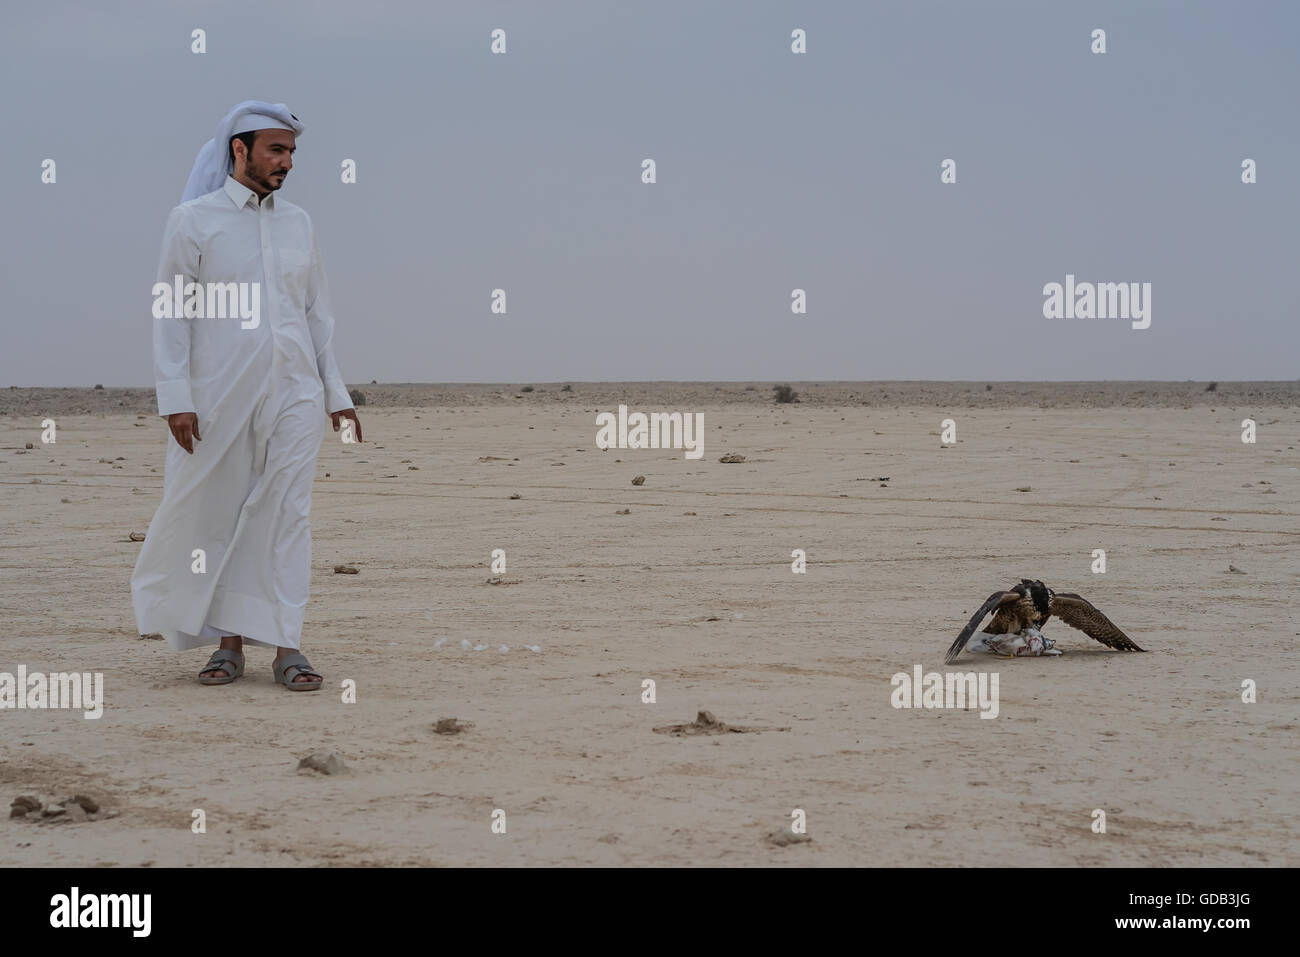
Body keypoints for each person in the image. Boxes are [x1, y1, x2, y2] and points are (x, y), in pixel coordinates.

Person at [131, 100, 362, 691]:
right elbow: (171, 313)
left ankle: (289, 646)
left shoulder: (299, 224)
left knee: (288, 516)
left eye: (291, 152)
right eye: (275, 150)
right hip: (216, 399)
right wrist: (175, 395)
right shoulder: (192, 220)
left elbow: (317, 316)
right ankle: (227, 645)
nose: (286, 162)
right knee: (222, 514)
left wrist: (336, 393)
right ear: (240, 150)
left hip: (296, 395)